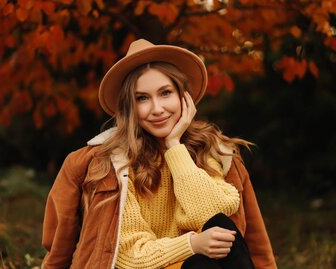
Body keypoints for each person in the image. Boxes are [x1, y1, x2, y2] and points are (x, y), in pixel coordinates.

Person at [41, 39, 277, 269]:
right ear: (129, 107)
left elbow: (215, 216)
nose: (157, 109)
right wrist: (192, 244)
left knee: (215, 237)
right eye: (142, 98)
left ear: (184, 97)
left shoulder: (212, 151)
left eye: (165, 93)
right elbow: (125, 254)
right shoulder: (106, 163)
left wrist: (174, 146)